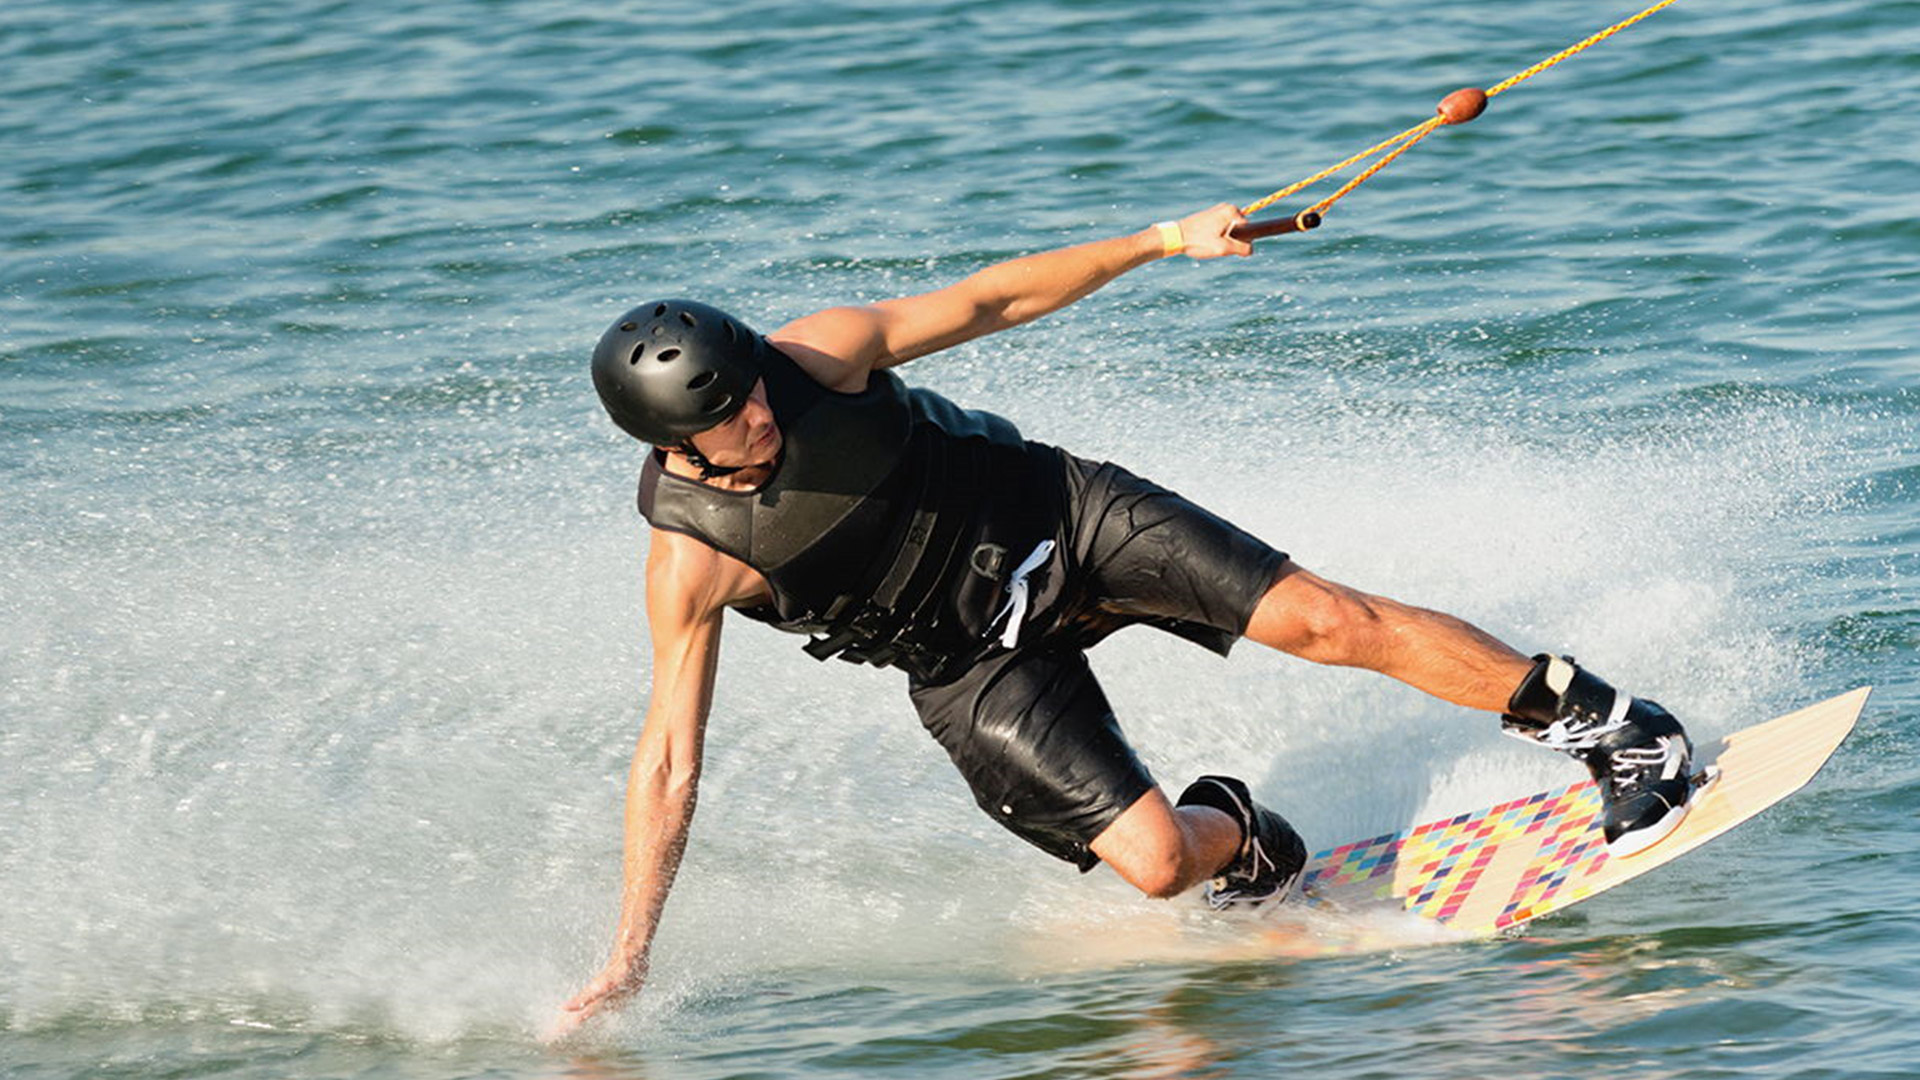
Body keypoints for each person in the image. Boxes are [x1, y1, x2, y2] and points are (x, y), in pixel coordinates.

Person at [551, 203, 1697, 1036]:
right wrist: (628, 957)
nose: (762, 407)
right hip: (962, 659)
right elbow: (665, 764)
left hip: (1061, 516)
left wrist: (1161, 240)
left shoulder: (818, 356)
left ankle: (1611, 726)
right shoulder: (691, 559)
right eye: (734, 414)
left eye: (751, 380)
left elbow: (993, 298)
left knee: (1321, 617)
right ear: (675, 446)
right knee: (1156, 866)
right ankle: (1246, 837)